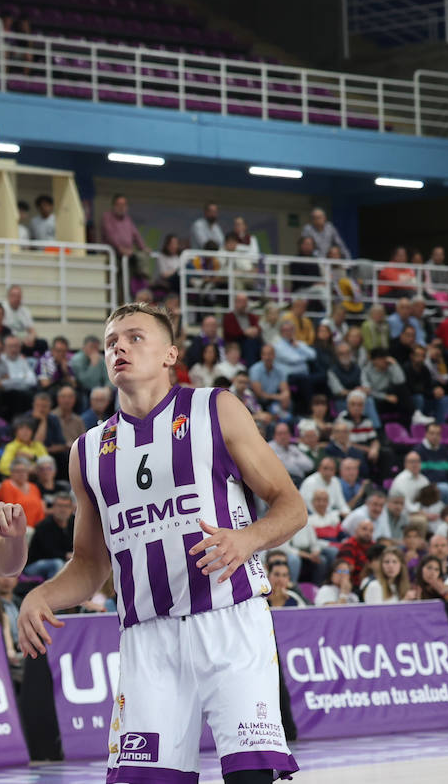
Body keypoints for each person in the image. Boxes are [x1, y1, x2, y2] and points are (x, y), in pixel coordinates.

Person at [18, 302, 305, 784]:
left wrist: (248, 539)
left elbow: (290, 505)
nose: (119, 348)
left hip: (229, 622)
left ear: (170, 353)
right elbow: (90, 564)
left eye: (134, 337)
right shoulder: (87, 451)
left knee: (250, 776)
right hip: (147, 638)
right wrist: (41, 594)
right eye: (111, 342)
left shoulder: (215, 408)